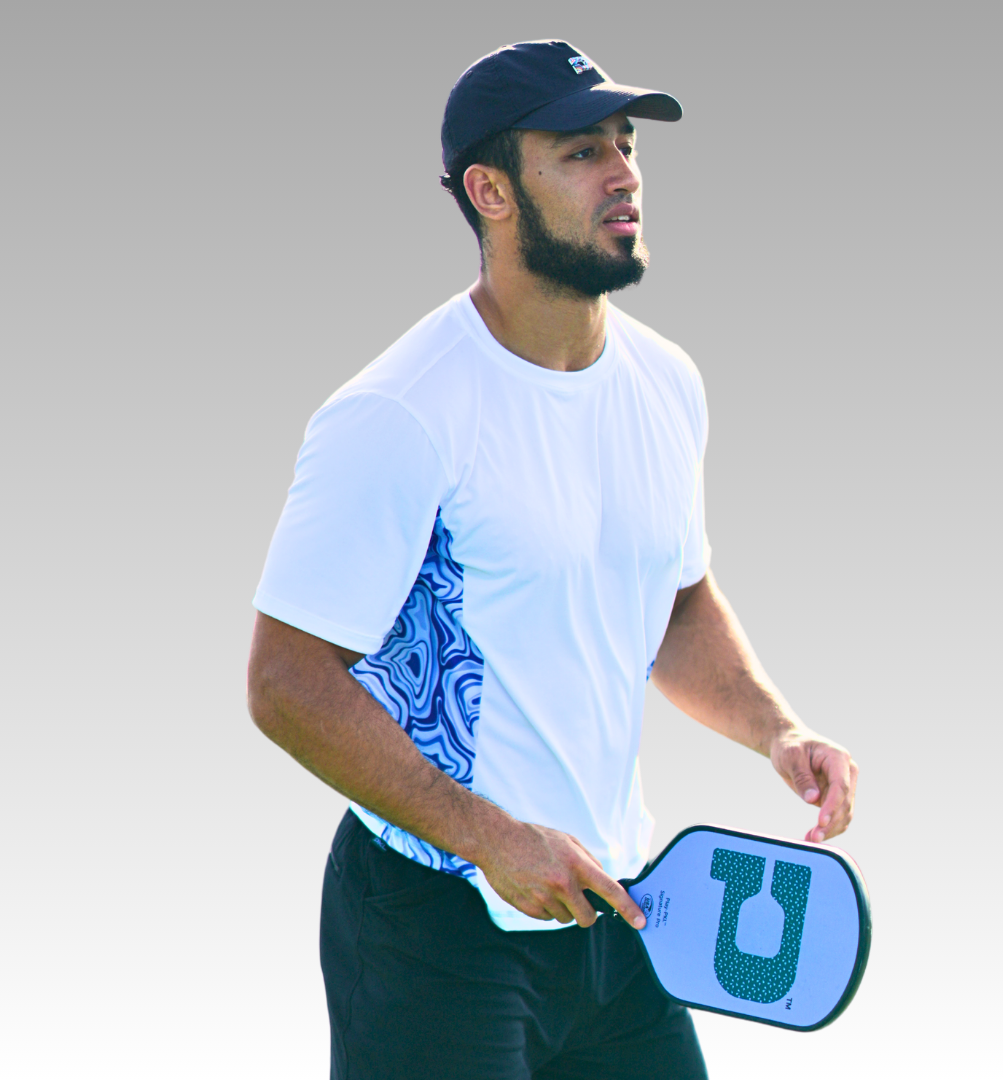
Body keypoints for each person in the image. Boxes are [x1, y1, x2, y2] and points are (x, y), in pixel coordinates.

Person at [247, 39, 858, 1080]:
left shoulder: (667, 383)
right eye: (580, 152)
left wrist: (775, 728)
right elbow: (285, 683)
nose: (623, 173)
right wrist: (488, 835)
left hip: (620, 914)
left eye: (625, 146)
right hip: (434, 928)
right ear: (490, 191)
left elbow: (672, 603)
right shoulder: (399, 414)